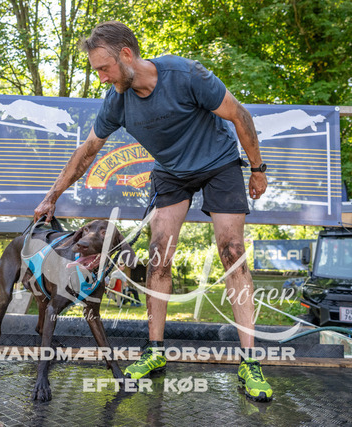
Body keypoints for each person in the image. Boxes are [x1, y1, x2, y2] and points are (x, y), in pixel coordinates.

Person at [34, 21, 272, 401]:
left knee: (232, 251)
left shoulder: (187, 75)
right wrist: (52, 196)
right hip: (171, 172)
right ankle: (156, 351)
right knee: (159, 254)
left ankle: (250, 361)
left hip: (219, 162)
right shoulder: (117, 101)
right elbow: (88, 151)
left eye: (104, 68)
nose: (102, 78)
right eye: (97, 71)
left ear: (127, 55)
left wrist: (257, 170)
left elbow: (240, 115)